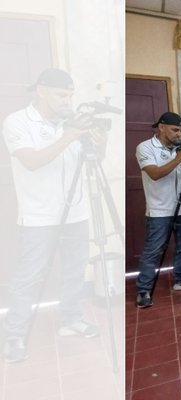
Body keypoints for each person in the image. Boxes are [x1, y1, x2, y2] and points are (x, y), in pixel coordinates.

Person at [1, 68, 104, 362]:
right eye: (62, 95)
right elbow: (31, 161)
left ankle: (70, 319)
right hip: (39, 216)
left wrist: (97, 142)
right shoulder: (18, 122)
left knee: (74, 270)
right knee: (29, 276)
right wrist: (69, 136)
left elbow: (94, 161)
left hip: (77, 212)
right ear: (41, 91)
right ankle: (15, 334)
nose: (67, 101)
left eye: (70, 95)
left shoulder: (71, 123)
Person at [135, 112, 181, 309]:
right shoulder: (145, 147)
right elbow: (155, 174)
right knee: (153, 250)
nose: (178, 134)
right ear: (162, 127)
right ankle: (144, 289)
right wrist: (179, 157)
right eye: (175, 130)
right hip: (159, 210)